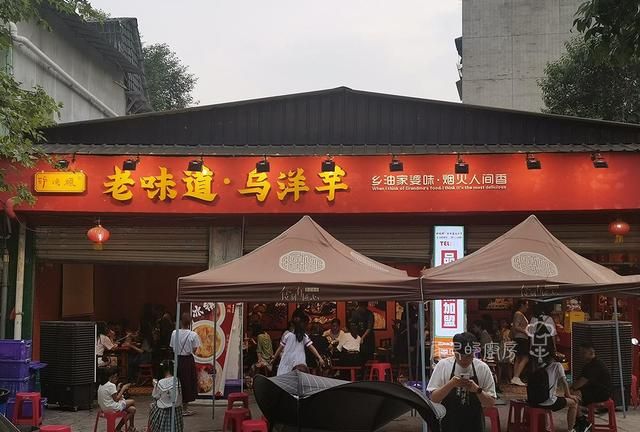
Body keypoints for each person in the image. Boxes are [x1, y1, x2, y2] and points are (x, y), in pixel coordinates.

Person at [427, 332, 496, 432]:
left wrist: (477, 390)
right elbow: (434, 398)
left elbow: (490, 403)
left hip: (474, 423)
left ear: (474, 352)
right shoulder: (443, 366)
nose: (463, 360)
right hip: (449, 423)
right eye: (459, 356)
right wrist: (451, 384)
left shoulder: (482, 368)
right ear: (454, 351)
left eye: (468, 356)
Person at [526, 349, 579, 432]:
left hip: (533, 402)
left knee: (553, 398)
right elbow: (564, 382)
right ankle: (570, 429)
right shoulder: (557, 365)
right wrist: (569, 395)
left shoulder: (538, 367)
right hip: (548, 401)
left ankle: (545, 427)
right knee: (574, 403)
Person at [170, 312, 201, 416]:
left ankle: (176, 405)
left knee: (176, 382)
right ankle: (185, 408)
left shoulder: (174, 333)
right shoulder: (193, 334)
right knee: (187, 383)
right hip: (188, 360)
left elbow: (172, 346)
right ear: (190, 322)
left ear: (180, 322)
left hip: (177, 359)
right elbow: (195, 349)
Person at [572, 342, 612, 406]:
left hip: (601, 393)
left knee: (574, 394)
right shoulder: (588, 365)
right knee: (573, 393)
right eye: (580, 353)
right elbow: (579, 380)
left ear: (591, 352)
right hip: (593, 389)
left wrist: (570, 389)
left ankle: (579, 412)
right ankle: (580, 410)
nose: (581, 355)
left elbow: (581, 382)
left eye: (583, 353)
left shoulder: (595, 365)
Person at [97, 368, 137, 432]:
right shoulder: (111, 385)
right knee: (132, 401)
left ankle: (123, 428)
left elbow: (110, 396)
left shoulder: (101, 385)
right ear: (111, 377)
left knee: (132, 409)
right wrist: (123, 389)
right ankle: (130, 427)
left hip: (104, 408)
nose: (116, 379)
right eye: (115, 377)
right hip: (112, 408)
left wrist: (117, 389)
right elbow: (116, 399)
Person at [148, 360, 184, 432]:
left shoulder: (161, 382)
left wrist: (155, 385)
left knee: (152, 406)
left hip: (164, 410)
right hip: (176, 410)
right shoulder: (177, 380)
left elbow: (155, 396)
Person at [511, 300, 529, 386]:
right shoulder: (518, 314)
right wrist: (526, 332)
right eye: (526, 305)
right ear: (522, 305)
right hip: (522, 338)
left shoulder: (518, 314)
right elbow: (516, 326)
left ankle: (515, 377)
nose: (527, 307)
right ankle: (516, 377)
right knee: (525, 358)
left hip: (519, 338)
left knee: (518, 358)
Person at [496, 319, 513, 385]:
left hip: (508, 348)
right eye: (501, 322)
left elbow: (511, 339)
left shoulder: (509, 331)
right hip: (501, 348)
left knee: (509, 364)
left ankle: (510, 379)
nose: (502, 324)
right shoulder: (498, 331)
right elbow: (498, 339)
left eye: (504, 322)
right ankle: (499, 380)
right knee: (500, 364)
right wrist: (501, 333)